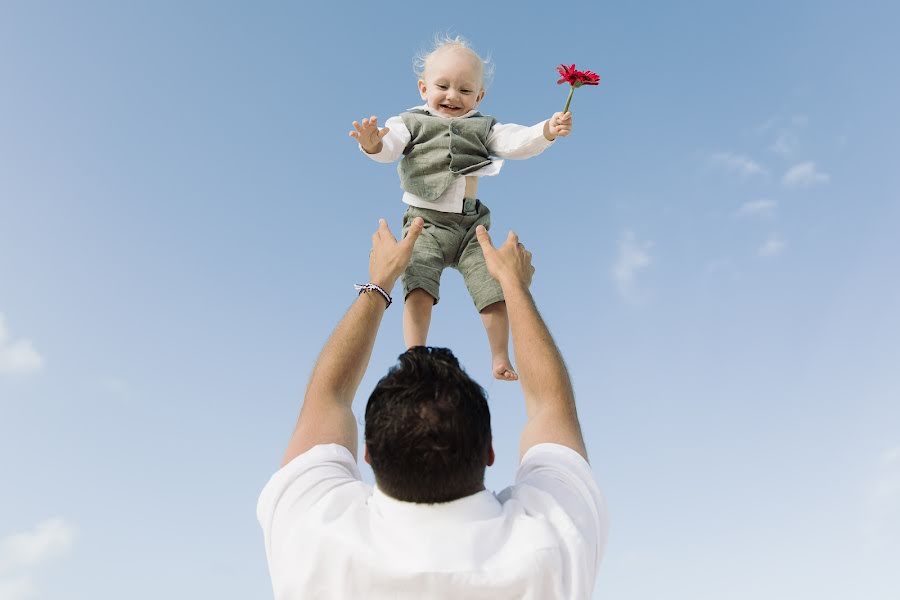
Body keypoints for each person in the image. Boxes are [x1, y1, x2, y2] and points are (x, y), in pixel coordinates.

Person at [257, 217, 608, 599]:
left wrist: (381, 280)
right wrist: (513, 285)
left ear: (368, 454)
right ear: (490, 450)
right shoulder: (551, 543)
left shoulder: (314, 539)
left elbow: (326, 397)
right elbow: (550, 407)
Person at [349, 34, 573, 381]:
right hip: (424, 224)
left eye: (465, 90)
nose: (453, 96)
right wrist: (373, 144)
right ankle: (415, 353)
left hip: (471, 228)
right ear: (423, 88)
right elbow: (390, 145)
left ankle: (499, 356)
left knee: (493, 288)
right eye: (443, 86)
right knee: (418, 283)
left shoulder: (483, 127)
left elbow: (515, 141)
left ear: (479, 96)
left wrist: (546, 130)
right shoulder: (408, 122)